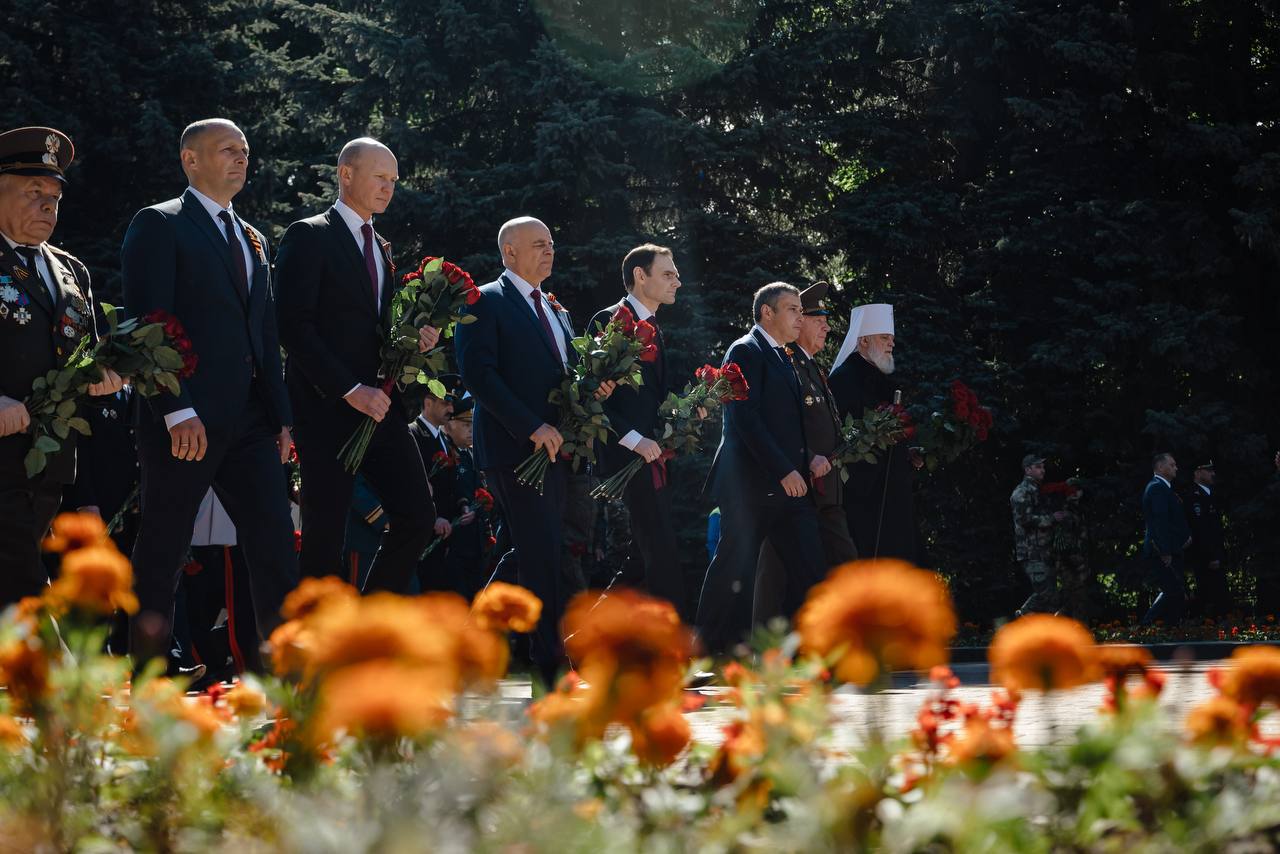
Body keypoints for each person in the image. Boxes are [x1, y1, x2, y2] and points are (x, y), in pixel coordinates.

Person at [121, 118, 296, 672]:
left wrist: (282, 418)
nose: (241, 158)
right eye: (228, 149)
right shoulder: (160, 224)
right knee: (165, 547)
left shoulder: (253, 237)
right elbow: (148, 322)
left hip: (251, 421)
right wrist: (175, 408)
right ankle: (149, 675)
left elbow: (264, 334)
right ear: (190, 160)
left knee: (272, 543)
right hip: (186, 417)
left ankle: (288, 680)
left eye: (245, 150)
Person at [275, 137, 439, 593]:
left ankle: (364, 628)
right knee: (325, 538)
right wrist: (350, 389)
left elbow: (376, 327)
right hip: (327, 410)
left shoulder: (382, 246)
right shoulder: (309, 234)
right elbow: (293, 326)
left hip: (382, 410)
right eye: (380, 177)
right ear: (346, 174)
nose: (389, 188)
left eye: (393, 180)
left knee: (417, 517)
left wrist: (414, 337)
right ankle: (313, 650)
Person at [454, 216, 614, 684]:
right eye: (538, 245)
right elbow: (478, 375)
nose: (549, 251)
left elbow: (567, 379)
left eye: (551, 244)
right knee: (541, 553)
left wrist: (594, 391)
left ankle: (468, 645)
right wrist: (530, 426)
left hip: (559, 451)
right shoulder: (484, 300)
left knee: (536, 552)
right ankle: (549, 668)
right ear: (509, 252)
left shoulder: (556, 310)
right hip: (513, 449)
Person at [0, 126, 124, 606]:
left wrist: (106, 374)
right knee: (21, 574)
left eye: (54, 196)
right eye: (33, 193)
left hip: (50, 456)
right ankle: (61, 676)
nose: (48, 206)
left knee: (17, 567)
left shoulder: (71, 271)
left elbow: (84, 355)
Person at [696, 282, 826, 654]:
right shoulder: (745, 350)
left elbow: (787, 421)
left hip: (789, 488)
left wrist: (805, 462)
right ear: (766, 313)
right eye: (793, 309)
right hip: (751, 486)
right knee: (732, 571)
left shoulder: (785, 356)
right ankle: (706, 652)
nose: (800, 317)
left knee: (811, 569)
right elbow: (745, 419)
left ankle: (812, 654)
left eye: (801, 310)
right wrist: (785, 469)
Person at [589, 244, 685, 615]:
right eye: (668, 274)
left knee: (643, 558)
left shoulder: (656, 329)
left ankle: (585, 634)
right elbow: (593, 397)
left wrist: (680, 421)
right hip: (622, 458)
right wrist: (634, 439)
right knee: (659, 550)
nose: (678, 280)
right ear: (639, 276)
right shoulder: (609, 320)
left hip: (652, 457)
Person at [754, 281, 857, 624]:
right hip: (800, 481)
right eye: (816, 318)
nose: (825, 325)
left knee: (798, 569)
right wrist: (807, 456)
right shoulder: (788, 363)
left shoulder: (811, 366)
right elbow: (779, 423)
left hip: (820, 486)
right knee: (780, 570)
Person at [827, 302, 920, 562]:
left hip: (891, 490)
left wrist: (906, 454)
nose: (891, 343)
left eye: (891, 338)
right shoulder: (843, 380)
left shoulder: (884, 379)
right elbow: (842, 439)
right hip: (864, 496)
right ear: (864, 341)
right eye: (884, 337)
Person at [408, 378, 458, 592]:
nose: (451, 408)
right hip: (425, 529)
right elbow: (414, 481)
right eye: (445, 403)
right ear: (428, 403)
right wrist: (433, 516)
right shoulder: (413, 434)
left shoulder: (444, 440)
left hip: (444, 530)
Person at [1141, 452, 1191, 626]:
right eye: (1172, 464)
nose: (1176, 468)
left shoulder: (1164, 488)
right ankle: (1146, 626)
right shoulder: (1156, 488)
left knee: (1175, 592)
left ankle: (1171, 629)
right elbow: (1159, 522)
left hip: (1171, 549)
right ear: (1160, 467)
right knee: (1173, 591)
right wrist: (1165, 551)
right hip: (1162, 551)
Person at [1010, 455, 1063, 615]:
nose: (1043, 470)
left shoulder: (1037, 491)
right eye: (1038, 467)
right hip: (1031, 552)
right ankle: (1022, 617)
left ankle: (1043, 634)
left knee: (1051, 596)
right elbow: (1024, 519)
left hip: (1043, 551)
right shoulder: (1021, 492)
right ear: (1028, 470)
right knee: (1045, 593)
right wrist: (1052, 518)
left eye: (1043, 467)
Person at [1185, 460, 1228, 616]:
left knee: (1220, 597)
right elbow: (1200, 530)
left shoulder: (1210, 494)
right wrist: (1211, 556)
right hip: (1205, 557)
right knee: (1207, 597)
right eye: (1208, 470)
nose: (1213, 474)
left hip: (1216, 554)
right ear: (1197, 472)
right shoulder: (1193, 496)